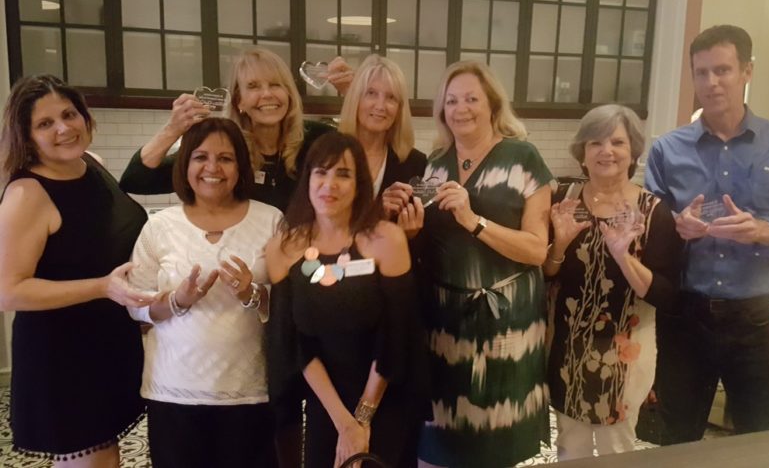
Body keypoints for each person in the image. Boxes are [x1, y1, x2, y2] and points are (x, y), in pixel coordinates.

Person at [0, 75, 152, 466]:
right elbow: (8, 291)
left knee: (106, 458)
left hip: (107, 341)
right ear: (26, 136)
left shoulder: (91, 165)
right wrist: (103, 287)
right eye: (45, 123)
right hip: (63, 357)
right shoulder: (26, 194)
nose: (64, 128)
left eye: (69, 114)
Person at [413, 61, 553, 468]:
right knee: (444, 434)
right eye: (451, 101)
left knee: (496, 437)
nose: (461, 109)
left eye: (472, 99)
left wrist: (474, 220)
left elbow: (536, 250)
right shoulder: (435, 164)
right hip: (445, 323)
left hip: (507, 322)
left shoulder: (523, 157)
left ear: (492, 103)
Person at [645, 24, 769, 444]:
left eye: (722, 70)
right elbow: (649, 229)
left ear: (747, 71)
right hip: (685, 315)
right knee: (677, 438)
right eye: (701, 72)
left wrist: (765, 231)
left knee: (761, 437)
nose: (711, 82)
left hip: (753, 317)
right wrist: (675, 226)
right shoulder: (667, 150)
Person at [266, 132, 429, 468]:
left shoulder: (386, 239)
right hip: (326, 401)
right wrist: (344, 422)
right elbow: (295, 343)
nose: (330, 185)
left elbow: (396, 335)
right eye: (321, 172)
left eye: (343, 174)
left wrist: (363, 417)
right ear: (307, 179)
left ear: (359, 184)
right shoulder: (284, 247)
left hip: (385, 393)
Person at [126, 117, 282, 468]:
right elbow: (135, 303)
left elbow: (290, 303)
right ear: (185, 165)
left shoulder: (270, 220)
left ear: (240, 167)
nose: (213, 168)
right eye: (200, 157)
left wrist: (251, 293)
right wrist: (176, 301)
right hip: (173, 391)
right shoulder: (160, 226)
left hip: (248, 390)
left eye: (225, 158)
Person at [543, 104, 682, 460]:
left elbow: (667, 295)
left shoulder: (653, 212)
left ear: (633, 152)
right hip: (567, 349)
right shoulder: (562, 200)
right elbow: (544, 275)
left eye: (617, 142)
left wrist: (623, 256)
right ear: (582, 153)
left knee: (617, 451)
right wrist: (559, 245)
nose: (606, 151)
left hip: (626, 356)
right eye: (595, 142)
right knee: (569, 448)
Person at [119, 48, 353, 211]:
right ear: (239, 100)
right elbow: (136, 180)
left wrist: (352, 92)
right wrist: (172, 129)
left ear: (289, 94)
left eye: (275, 85)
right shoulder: (223, 146)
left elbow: (364, 159)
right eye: (253, 86)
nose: (267, 94)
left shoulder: (319, 139)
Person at [338, 54, 426, 204]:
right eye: (371, 93)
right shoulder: (329, 156)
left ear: (400, 109)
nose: (380, 106)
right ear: (355, 99)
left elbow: (422, 214)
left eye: (391, 97)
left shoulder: (417, 163)